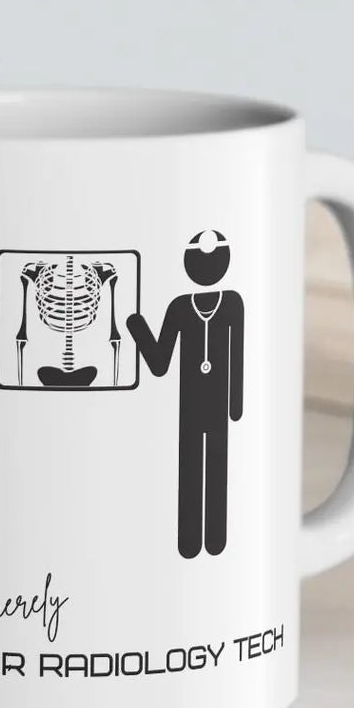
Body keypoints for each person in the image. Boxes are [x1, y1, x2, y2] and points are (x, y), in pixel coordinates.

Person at [126, 230, 244, 558]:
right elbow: (160, 362)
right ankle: (191, 542)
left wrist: (236, 405)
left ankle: (214, 541)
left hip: (215, 407)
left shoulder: (232, 304)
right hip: (192, 407)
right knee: (192, 472)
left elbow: (236, 355)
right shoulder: (180, 308)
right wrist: (136, 326)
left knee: (215, 470)